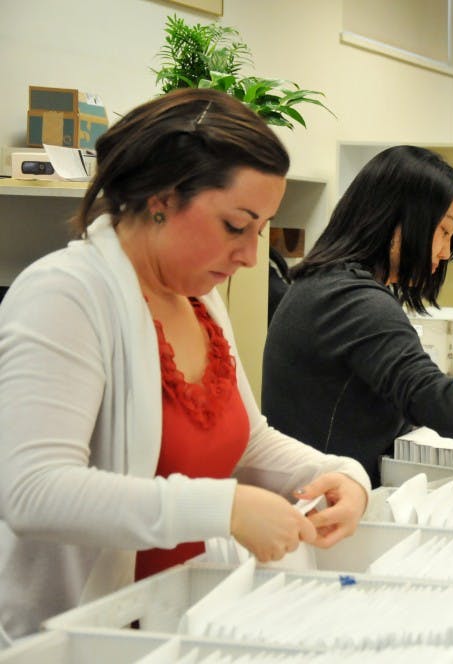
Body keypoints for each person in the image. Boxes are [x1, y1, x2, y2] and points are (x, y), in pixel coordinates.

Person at [0, 89, 371, 642]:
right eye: (235, 225)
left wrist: (343, 474)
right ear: (161, 199)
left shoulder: (199, 298)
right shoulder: (66, 295)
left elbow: (243, 441)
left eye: (261, 228)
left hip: (175, 621)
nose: (251, 256)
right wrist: (224, 506)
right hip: (79, 636)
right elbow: (33, 491)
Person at [261, 146, 453, 487]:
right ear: (395, 217)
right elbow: (437, 402)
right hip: (326, 499)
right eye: (443, 231)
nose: (443, 252)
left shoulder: (330, 285)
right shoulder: (351, 299)